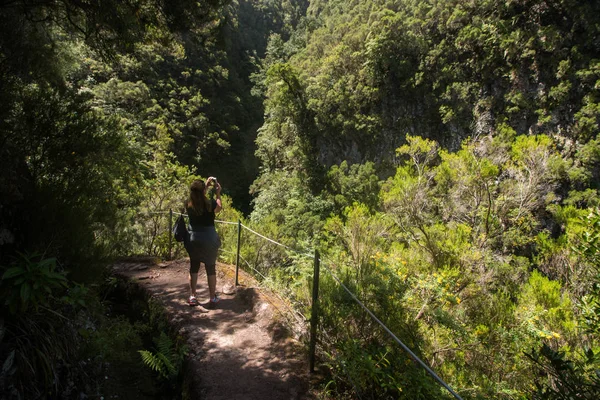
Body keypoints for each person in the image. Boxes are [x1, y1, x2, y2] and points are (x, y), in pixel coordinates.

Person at [184, 177, 222, 307]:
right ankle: (212, 298)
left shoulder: (188, 204)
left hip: (193, 238)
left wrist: (204, 187)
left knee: (194, 267)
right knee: (210, 268)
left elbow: (198, 197)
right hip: (209, 239)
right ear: (203, 191)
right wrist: (217, 193)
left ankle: (193, 296)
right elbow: (218, 209)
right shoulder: (210, 204)